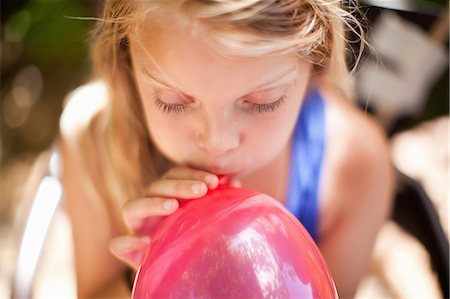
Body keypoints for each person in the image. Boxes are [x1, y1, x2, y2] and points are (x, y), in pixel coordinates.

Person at [59, 0, 394, 297]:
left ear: (316, 64)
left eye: (262, 102)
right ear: (126, 61)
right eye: (172, 101)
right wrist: (141, 275)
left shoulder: (356, 168)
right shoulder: (93, 144)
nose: (218, 144)